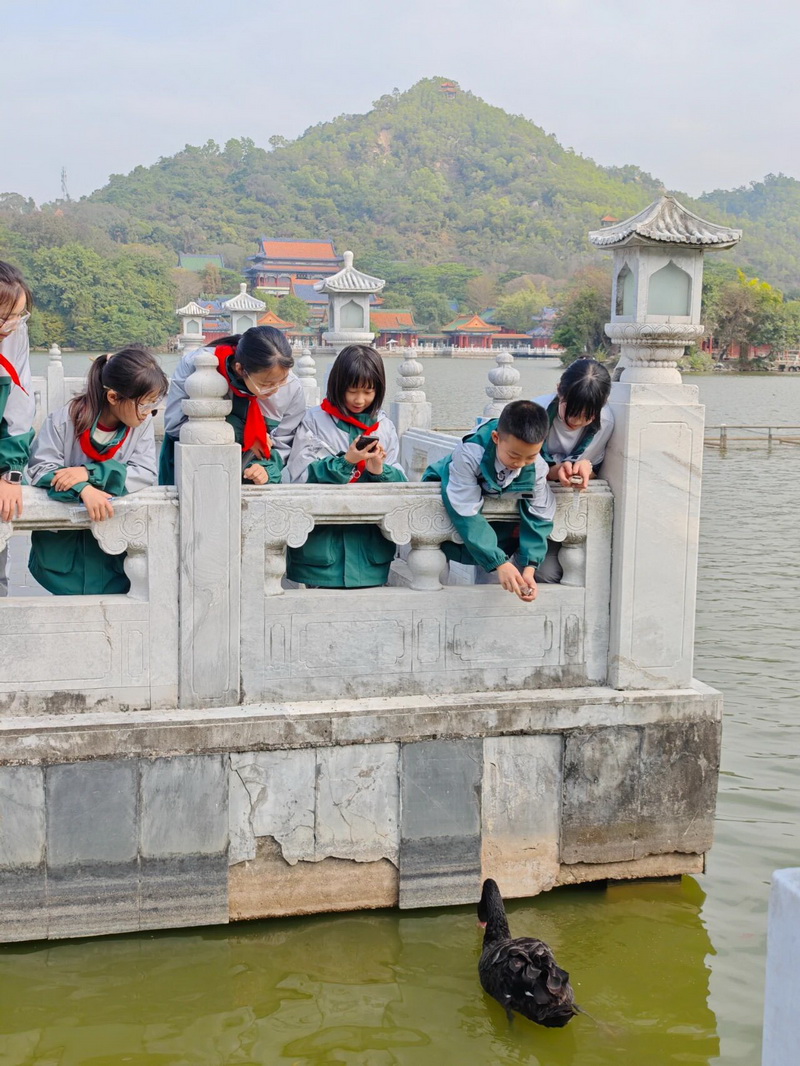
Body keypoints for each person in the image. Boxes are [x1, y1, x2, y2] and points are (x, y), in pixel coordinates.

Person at [27, 346, 168, 595]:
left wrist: (88, 473)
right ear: (113, 397)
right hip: (63, 550)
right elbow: (40, 469)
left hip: (113, 544)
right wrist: (84, 490)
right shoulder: (63, 421)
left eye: (154, 404)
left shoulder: (140, 425)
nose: (148, 413)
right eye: (144, 404)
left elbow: (145, 472)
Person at [285, 344, 407, 588]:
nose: (359, 400)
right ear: (337, 385)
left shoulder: (384, 426)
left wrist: (379, 471)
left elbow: (401, 483)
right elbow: (298, 475)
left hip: (370, 551)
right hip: (321, 550)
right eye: (352, 391)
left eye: (368, 392)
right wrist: (346, 462)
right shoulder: (314, 421)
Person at [423, 399, 554, 602]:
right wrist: (499, 562)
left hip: (497, 525)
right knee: (434, 571)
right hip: (450, 505)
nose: (520, 463)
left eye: (530, 457)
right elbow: (465, 510)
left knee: (496, 574)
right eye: (513, 455)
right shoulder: (470, 453)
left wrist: (530, 568)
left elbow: (539, 516)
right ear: (496, 438)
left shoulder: (538, 467)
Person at [159, 326, 304, 486]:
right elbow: (175, 426)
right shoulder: (197, 366)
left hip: (251, 473)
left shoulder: (292, 388)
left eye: (281, 380)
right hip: (196, 467)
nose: (275, 389)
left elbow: (285, 442)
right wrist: (246, 434)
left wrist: (267, 470)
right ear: (240, 369)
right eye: (266, 384)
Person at [533, 358, 613, 583]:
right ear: (559, 390)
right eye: (572, 411)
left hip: (565, 511)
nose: (577, 421)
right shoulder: (535, 413)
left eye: (588, 415)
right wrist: (553, 472)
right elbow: (516, 465)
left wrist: (586, 469)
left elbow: (595, 468)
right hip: (530, 510)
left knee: (551, 572)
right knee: (542, 571)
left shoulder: (605, 423)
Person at [0, 261, 36, 596]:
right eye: (5, 318)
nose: (12, 326)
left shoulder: (13, 333)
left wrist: (10, 473)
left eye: (19, 317)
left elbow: (19, 406)